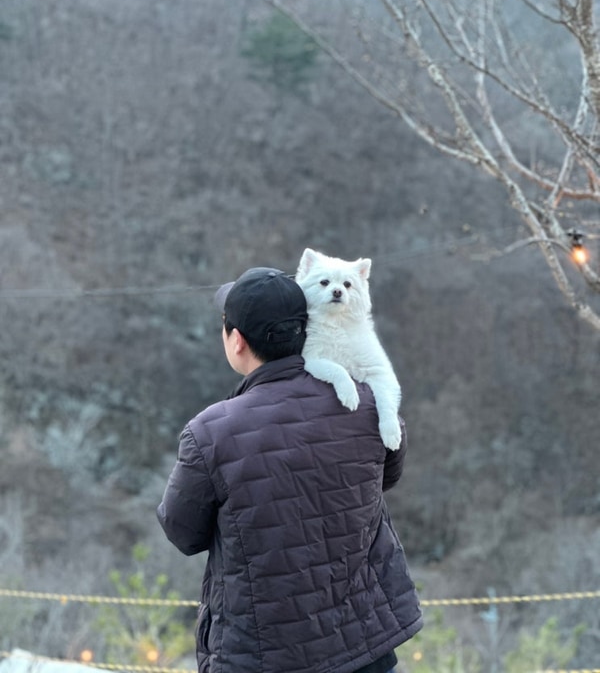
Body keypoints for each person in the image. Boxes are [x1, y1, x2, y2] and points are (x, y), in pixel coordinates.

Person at [157, 266, 423, 673]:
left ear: (237, 341)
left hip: (260, 656)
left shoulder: (210, 432)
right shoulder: (367, 405)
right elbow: (384, 476)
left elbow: (183, 532)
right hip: (364, 645)